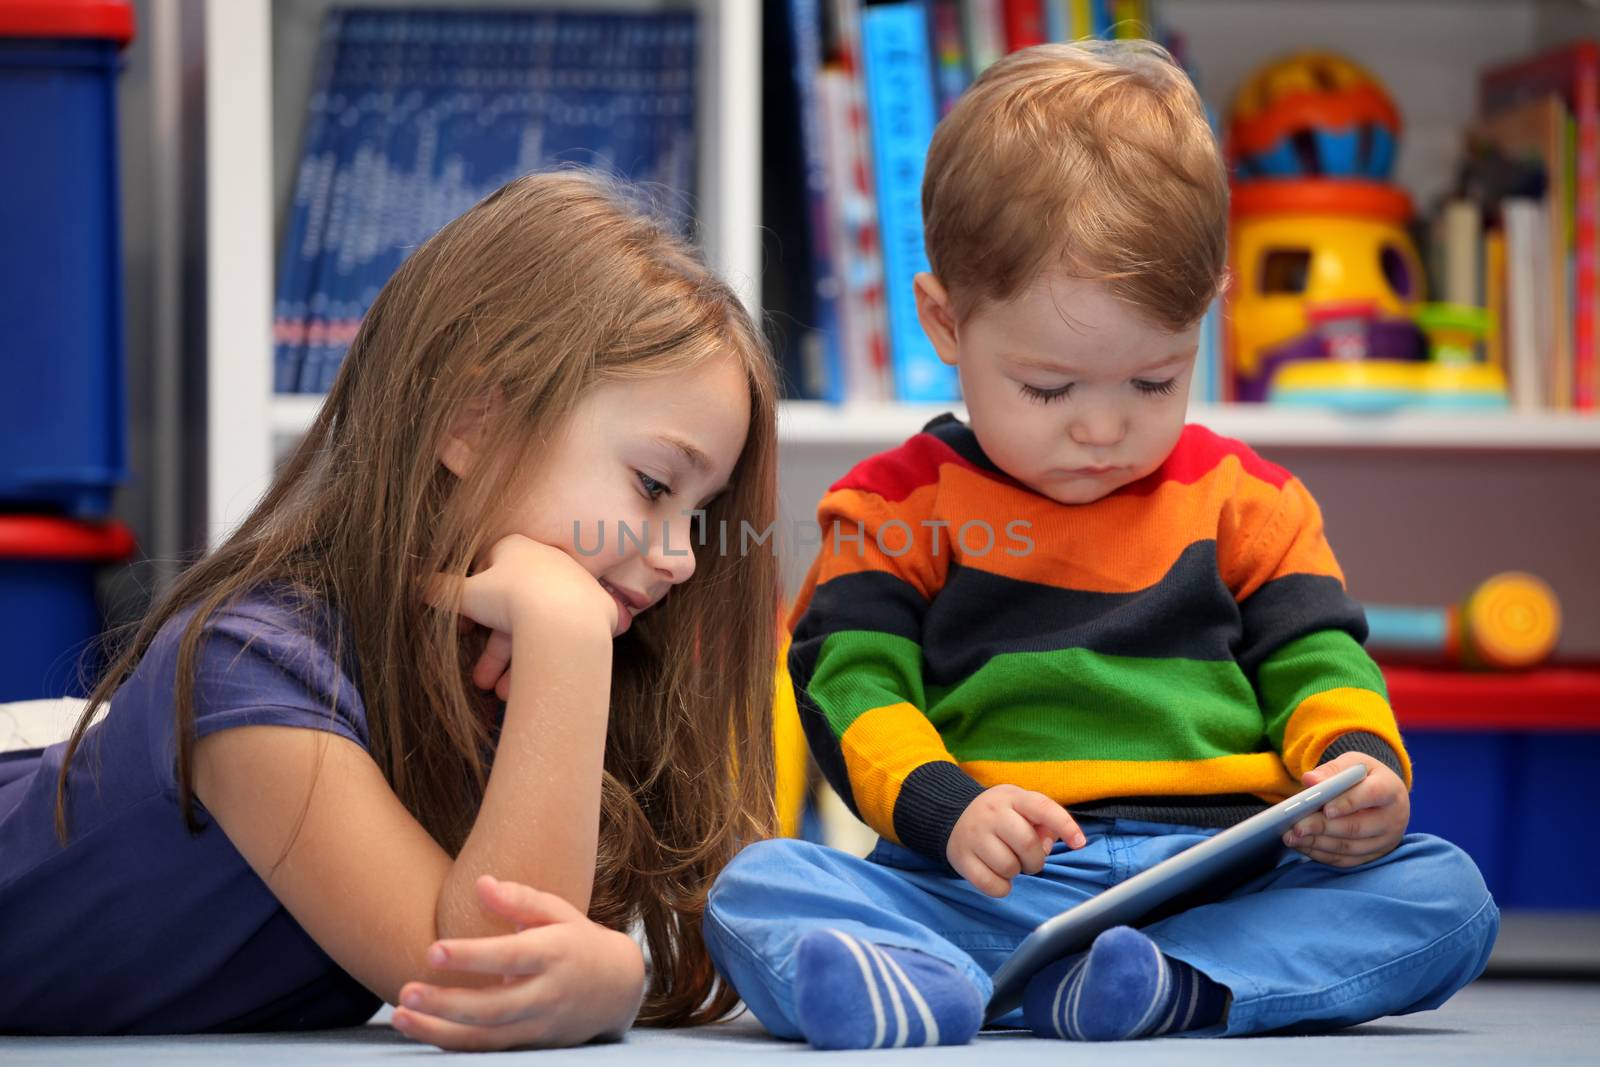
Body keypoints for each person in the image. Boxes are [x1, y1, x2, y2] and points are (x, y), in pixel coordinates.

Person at [703, 41, 1497, 1049]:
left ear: (1209, 308)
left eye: (1153, 381)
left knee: (1446, 891)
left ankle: (1175, 982)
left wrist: (1353, 766)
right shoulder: (892, 504)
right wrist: (953, 807)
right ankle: (938, 980)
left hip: (1220, 879)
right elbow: (850, 685)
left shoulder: (1249, 499)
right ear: (945, 320)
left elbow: (1316, 658)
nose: (1101, 428)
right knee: (755, 884)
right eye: (1048, 388)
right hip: (990, 883)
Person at [0, 171, 782, 1051]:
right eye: (651, 485)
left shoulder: (491, 668)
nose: (681, 555)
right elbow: (491, 975)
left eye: (701, 512)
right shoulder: (244, 666)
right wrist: (567, 639)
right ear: (470, 423)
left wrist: (614, 974)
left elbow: (537, 964)